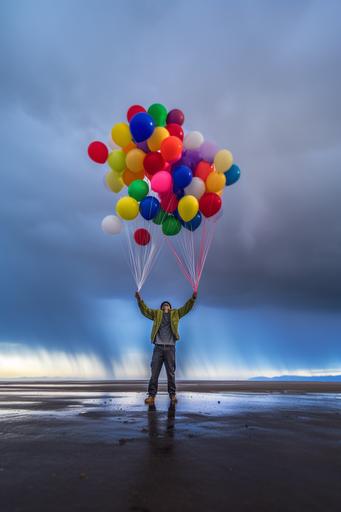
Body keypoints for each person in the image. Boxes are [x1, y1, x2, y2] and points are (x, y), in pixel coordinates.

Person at [135, 291, 197, 405]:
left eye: (167, 305)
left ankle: (172, 395)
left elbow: (186, 308)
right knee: (154, 373)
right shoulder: (157, 314)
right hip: (158, 347)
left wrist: (192, 299)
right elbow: (146, 311)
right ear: (161, 308)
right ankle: (151, 396)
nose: (166, 306)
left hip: (170, 348)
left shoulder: (176, 314)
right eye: (164, 305)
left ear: (170, 307)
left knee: (171, 373)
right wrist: (140, 300)